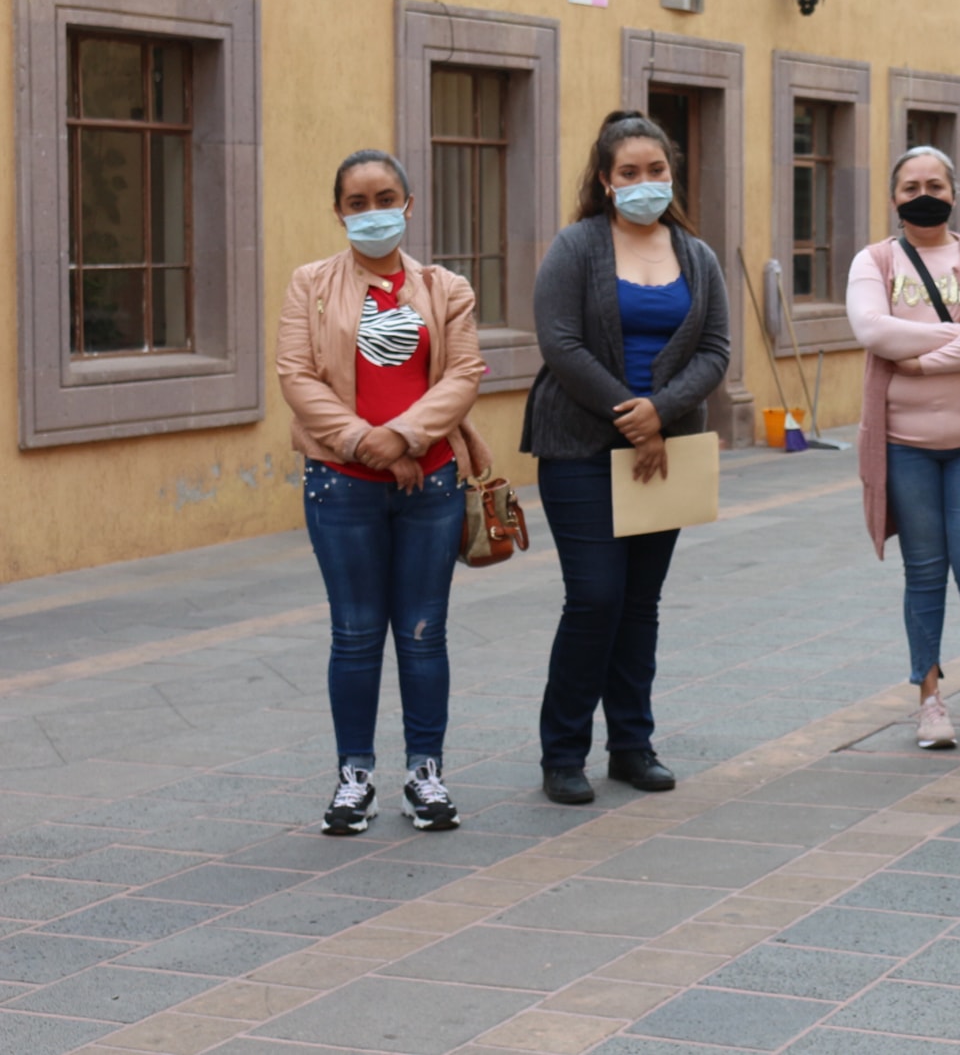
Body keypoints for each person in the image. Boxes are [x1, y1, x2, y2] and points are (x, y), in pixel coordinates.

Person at [521, 110, 730, 805]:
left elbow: (716, 351)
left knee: (640, 603)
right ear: (606, 181)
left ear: (672, 174)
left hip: (666, 448)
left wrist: (660, 414)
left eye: (657, 170)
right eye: (630, 173)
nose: (646, 183)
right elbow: (559, 342)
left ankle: (632, 745)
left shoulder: (695, 254)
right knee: (595, 596)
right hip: (579, 445)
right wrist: (630, 414)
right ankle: (562, 751)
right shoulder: (577, 246)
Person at [278, 149, 489, 835]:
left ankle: (425, 773)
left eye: (385, 197)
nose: (373, 212)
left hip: (430, 483)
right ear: (339, 210)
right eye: (358, 201)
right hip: (341, 485)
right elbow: (296, 376)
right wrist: (363, 443)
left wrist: (400, 438)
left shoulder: (446, 287)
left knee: (424, 634)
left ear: (410, 203)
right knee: (356, 631)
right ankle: (354, 777)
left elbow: (462, 375)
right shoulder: (308, 284)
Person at [848, 146, 960, 750]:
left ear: (953, 192)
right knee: (923, 573)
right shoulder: (873, 260)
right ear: (893, 197)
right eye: (909, 185)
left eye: (934, 183)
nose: (922, 193)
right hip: (904, 447)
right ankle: (929, 700)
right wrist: (955, 336)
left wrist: (920, 361)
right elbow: (871, 330)